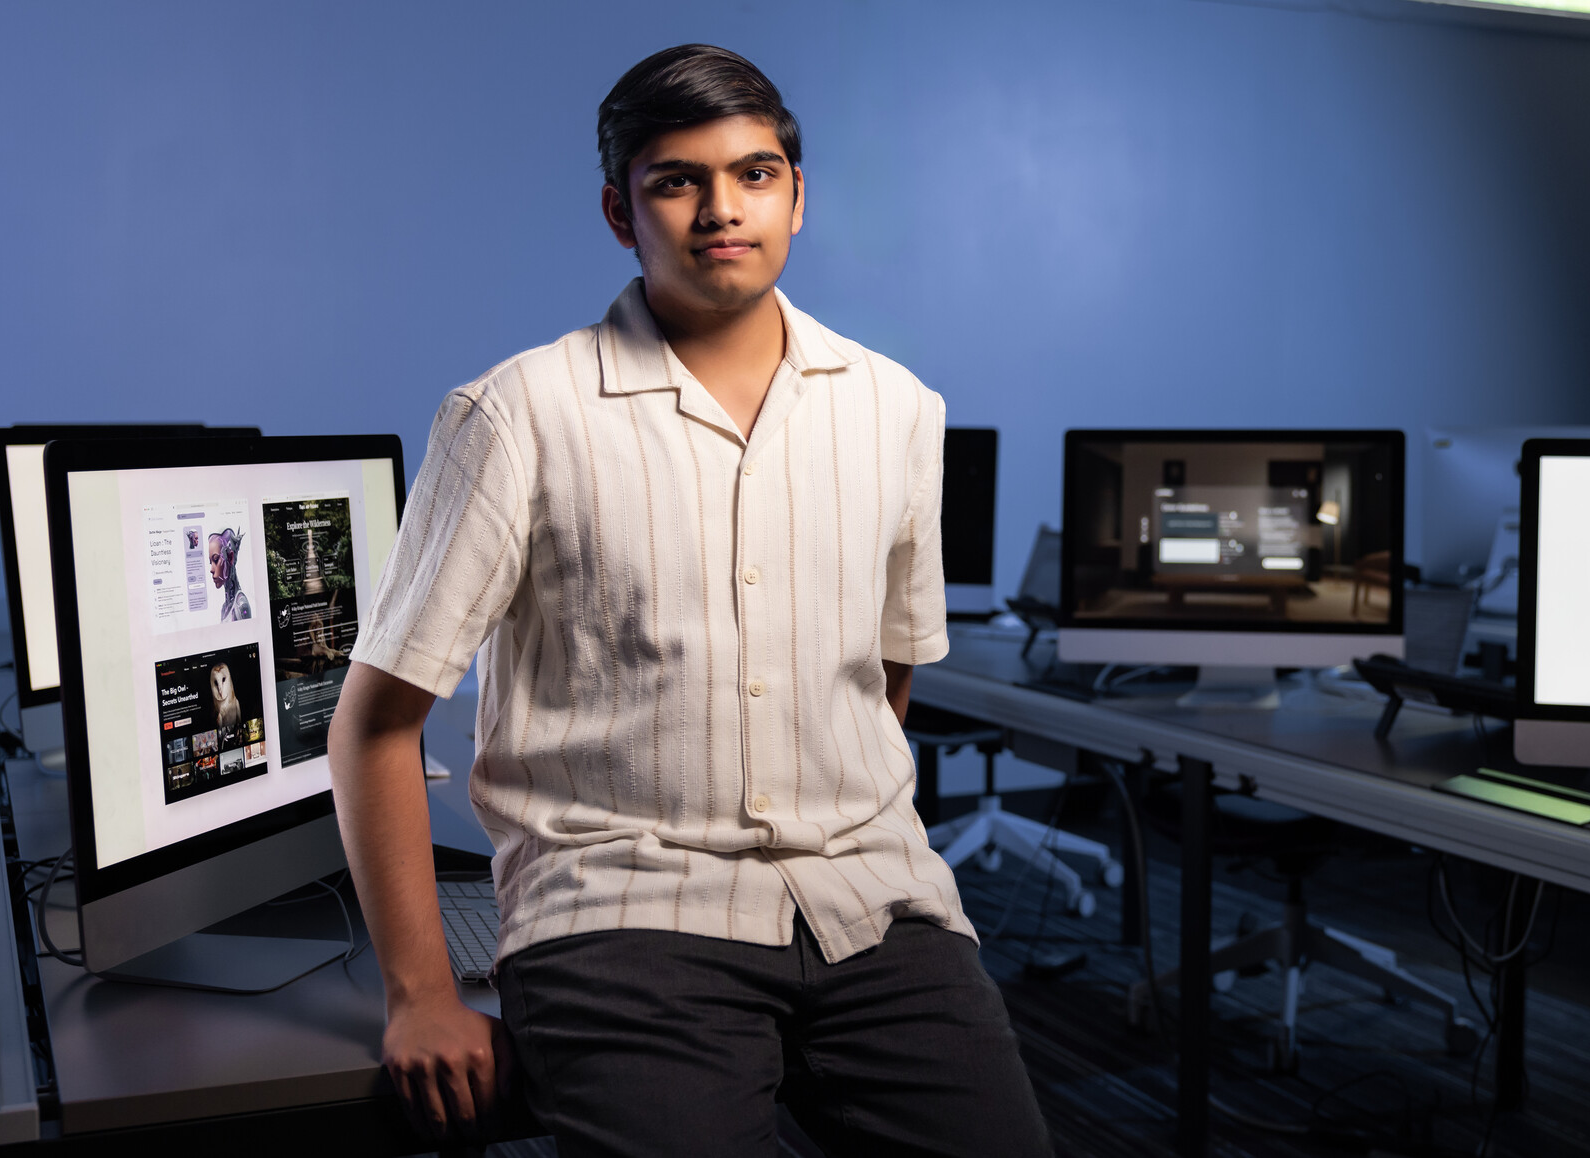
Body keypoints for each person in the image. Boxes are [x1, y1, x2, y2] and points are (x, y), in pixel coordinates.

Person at [327, 44, 1050, 1157]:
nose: (723, 208)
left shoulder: (899, 410)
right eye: (678, 181)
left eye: (755, 174)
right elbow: (375, 725)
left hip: (873, 906)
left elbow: (886, 677)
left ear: (797, 198)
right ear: (622, 213)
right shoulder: (517, 416)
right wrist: (419, 992)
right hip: (623, 916)